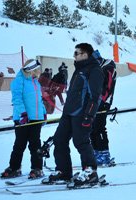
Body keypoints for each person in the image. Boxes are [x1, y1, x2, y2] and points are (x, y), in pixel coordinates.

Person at [42, 43, 104, 187]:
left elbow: (95, 96)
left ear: (85, 54)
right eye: (74, 53)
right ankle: (63, 172)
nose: (74, 56)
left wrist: (89, 115)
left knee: (81, 141)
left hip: (82, 113)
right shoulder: (79, 69)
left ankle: (90, 172)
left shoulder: (94, 70)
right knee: (59, 140)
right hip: (69, 112)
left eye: (77, 53)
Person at [1, 59, 46, 179]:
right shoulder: (18, 81)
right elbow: (17, 99)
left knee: (35, 144)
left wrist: (44, 113)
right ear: (31, 70)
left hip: (36, 118)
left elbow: (39, 100)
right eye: (37, 70)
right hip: (23, 118)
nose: (38, 72)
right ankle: (14, 167)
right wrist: (23, 114)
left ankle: (37, 168)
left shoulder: (36, 82)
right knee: (19, 144)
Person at [90, 50, 117, 166]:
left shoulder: (108, 67)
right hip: (93, 102)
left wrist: (100, 101)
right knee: (91, 128)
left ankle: (104, 153)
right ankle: (96, 151)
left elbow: (107, 87)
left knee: (99, 127)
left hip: (103, 102)